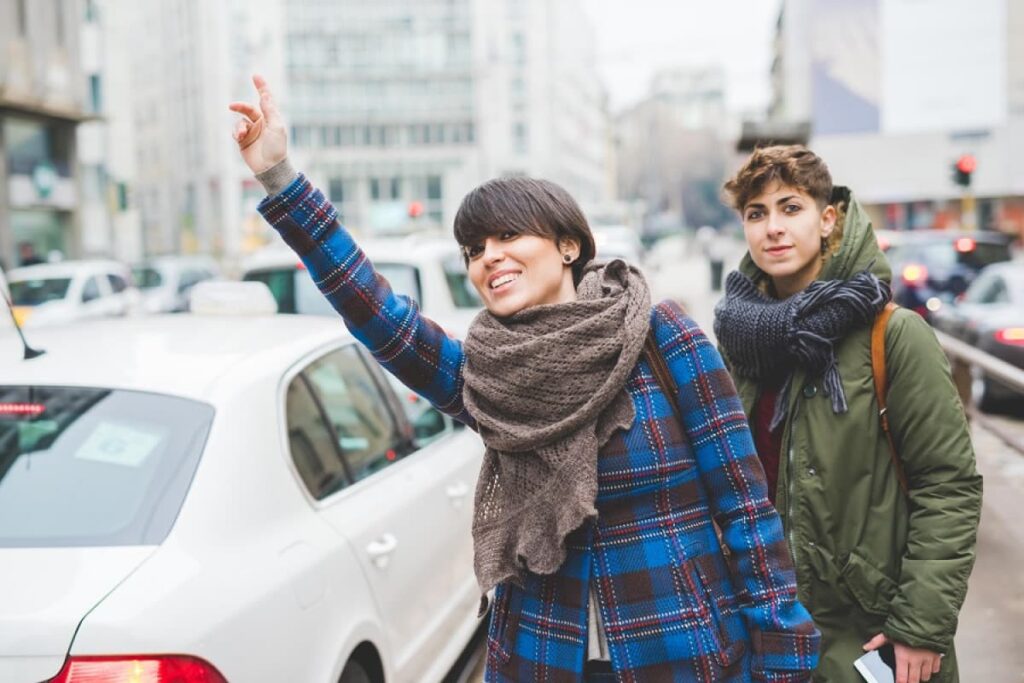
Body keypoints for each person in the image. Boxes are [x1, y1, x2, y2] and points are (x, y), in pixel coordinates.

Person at [230, 76, 820, 682]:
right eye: (473, 249)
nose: (488, 257)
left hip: (682, 655)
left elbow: (748, 512)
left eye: (508, 235)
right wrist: (281, 179)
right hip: (542, 660)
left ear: (568, 245)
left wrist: (781, 660)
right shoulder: (487, 378)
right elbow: (377, 313)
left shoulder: (661, 338)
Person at [714, 146, 983, 683]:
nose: (773, 228)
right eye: (756, 213)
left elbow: (947, 485)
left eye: (790, 208)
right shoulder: (739, 345)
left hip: (873, 636)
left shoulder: (892, 334)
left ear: (827, 217)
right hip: (766, 635)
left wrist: (920, 626)